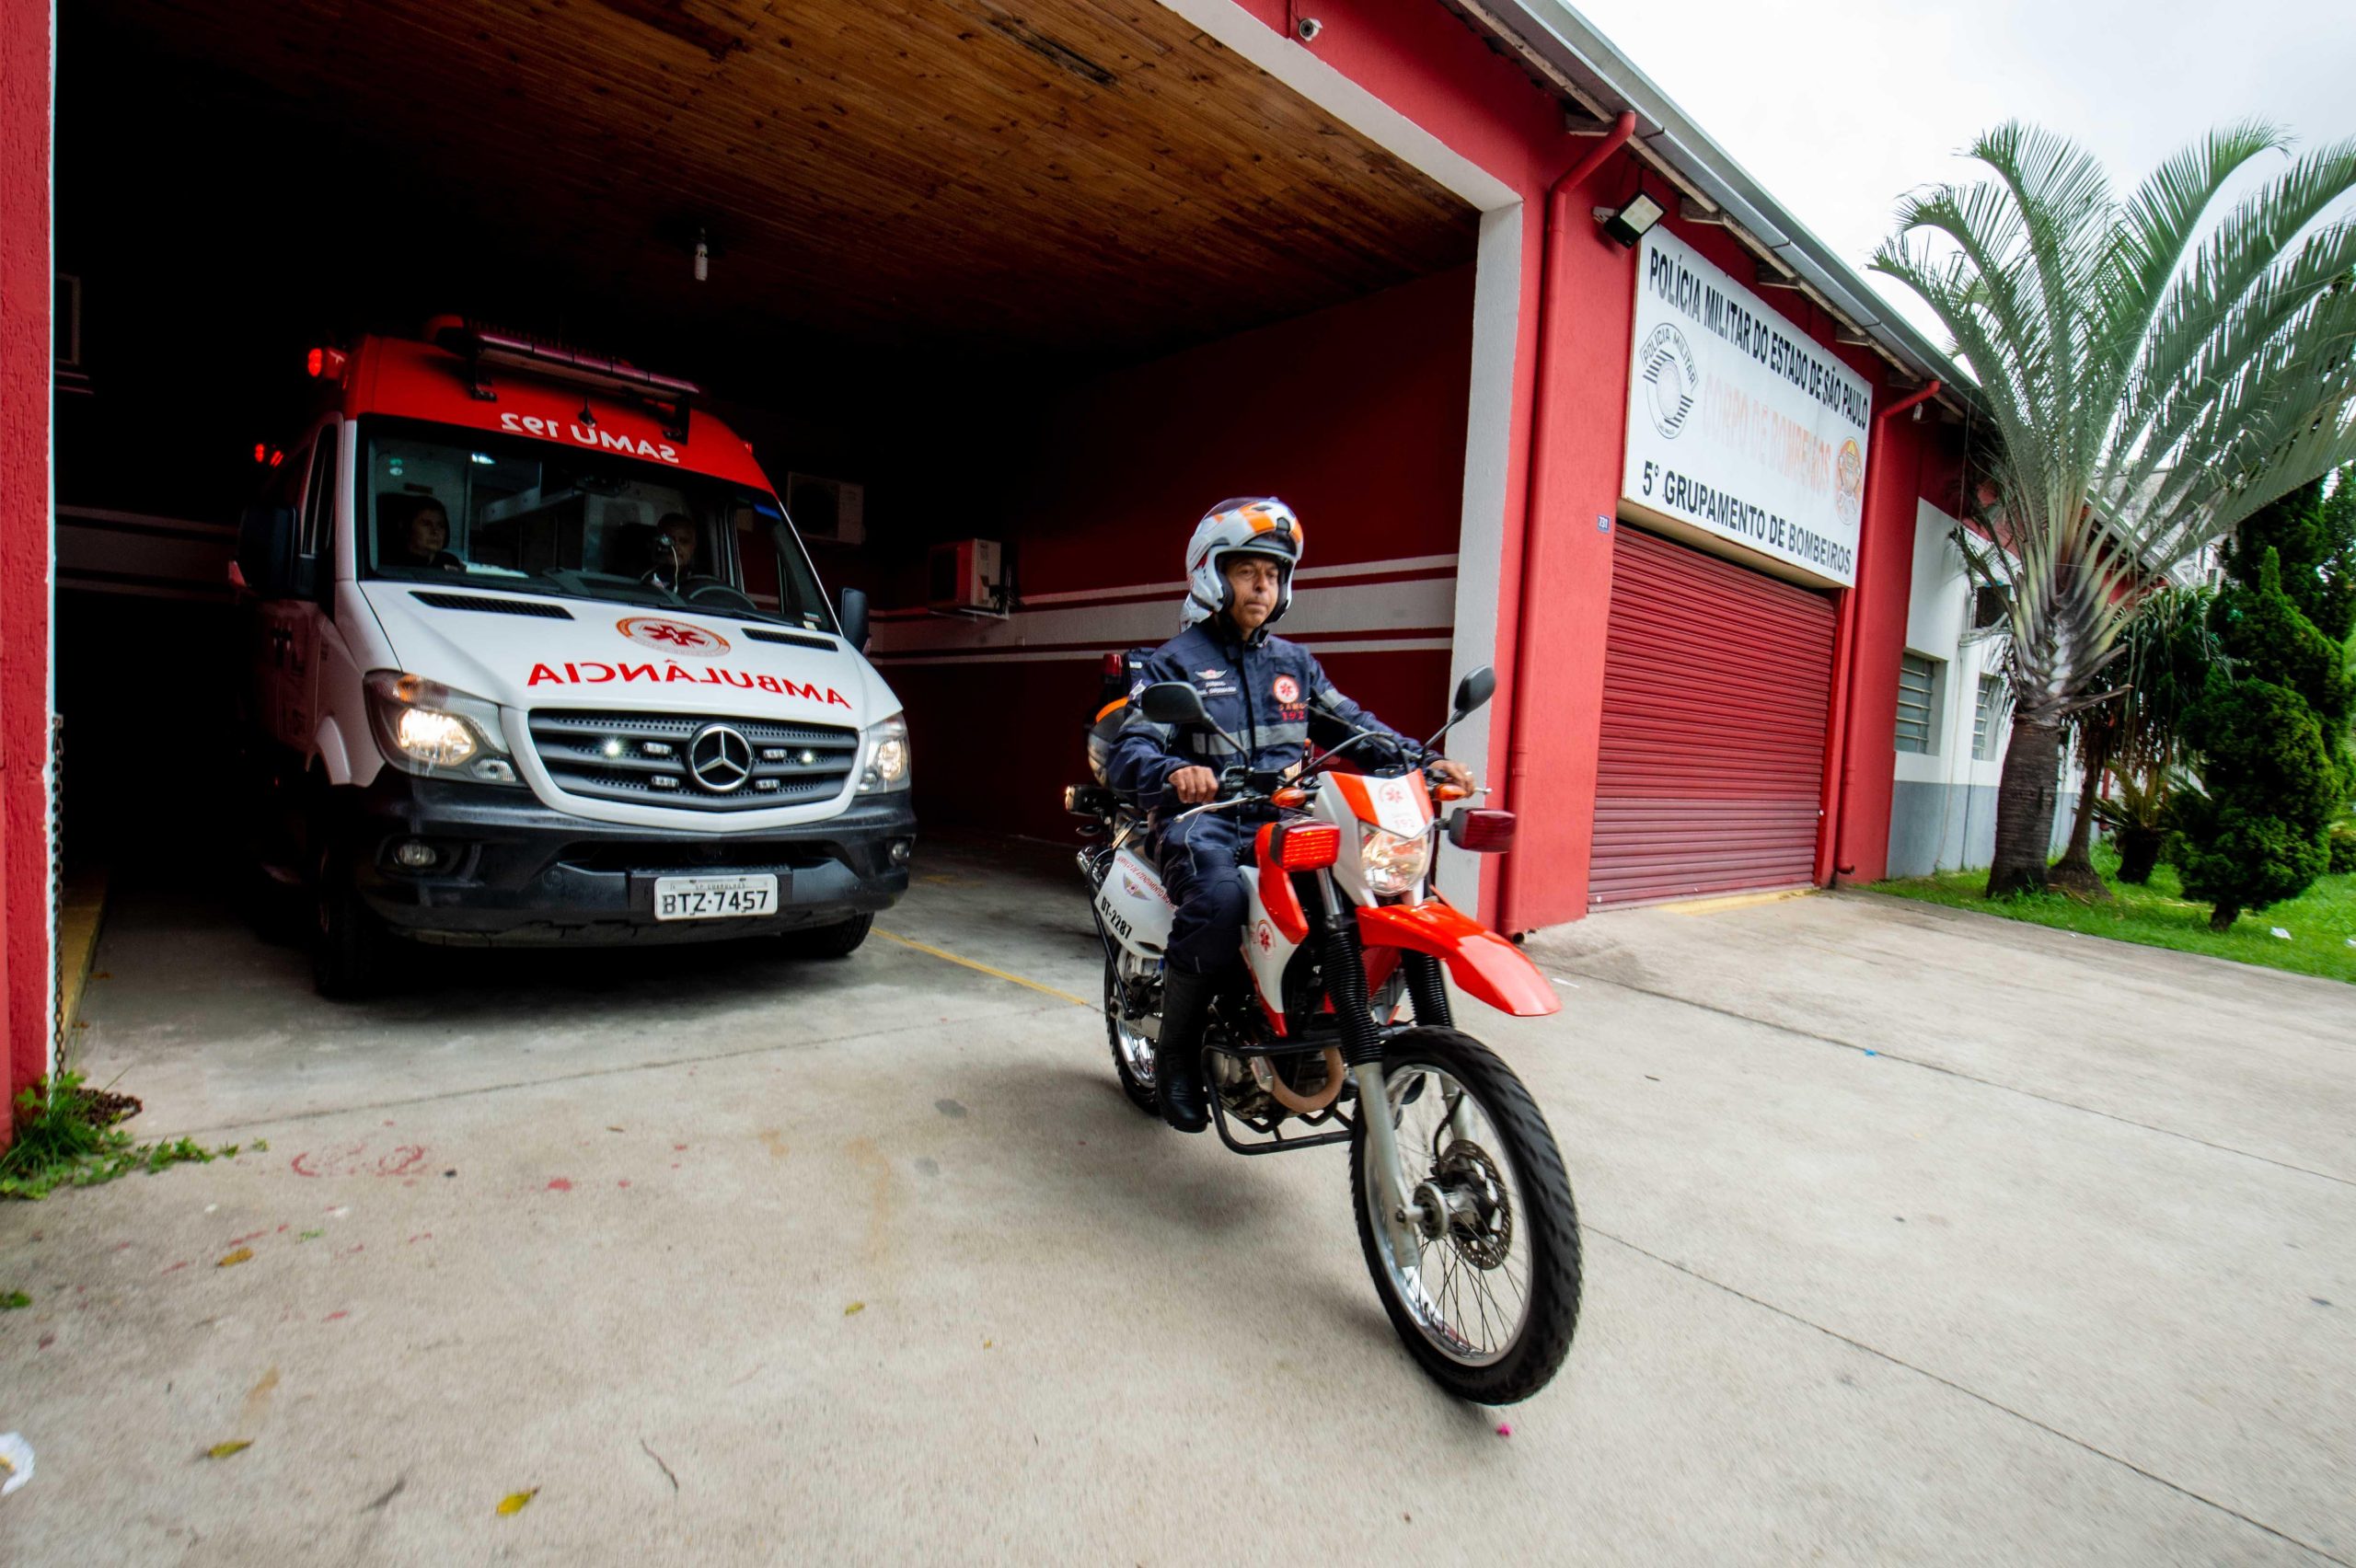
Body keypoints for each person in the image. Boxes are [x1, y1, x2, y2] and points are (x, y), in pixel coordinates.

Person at [1104, 498, 1473, 1133]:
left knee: (1381, 890)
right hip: (1206, 817)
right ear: (1212, 576)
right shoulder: (1175, 662)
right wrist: (1173, 774)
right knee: (1218, 899)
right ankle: (1176, 1057)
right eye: (1248, 571)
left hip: (1286, 818)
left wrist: (1423, 761)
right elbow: (1130, 748)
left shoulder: (1295, 666)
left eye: (1273, 574)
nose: (1262, 585)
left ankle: (1346, 1027)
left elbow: (1356, 728)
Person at [381, 494, 462, 571]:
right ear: (406, 527)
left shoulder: (450, 562)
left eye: (440, 526)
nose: (435, 531)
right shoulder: (390, 565)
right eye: (426, 524)